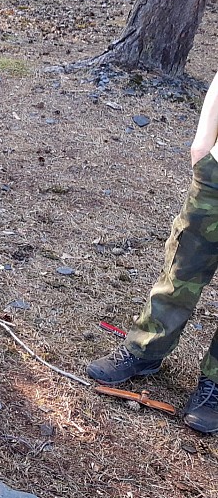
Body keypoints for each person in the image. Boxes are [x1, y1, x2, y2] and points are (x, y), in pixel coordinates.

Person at [87, 71, 218, 434]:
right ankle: (145, 351)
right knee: (181, 272)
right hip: (217, 179)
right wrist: (203, 145)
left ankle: (216, 386)